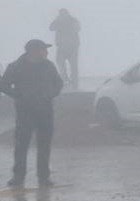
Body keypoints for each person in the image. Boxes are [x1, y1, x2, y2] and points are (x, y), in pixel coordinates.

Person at [0, 40, 63, 188]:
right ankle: (18, 177)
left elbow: (58, 83)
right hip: (25, 112)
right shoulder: (16, 67)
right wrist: (19, 95)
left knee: (44, 145)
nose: (46, 52)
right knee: (21, 145)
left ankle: (44, 177)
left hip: (46, 111)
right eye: (43, 49)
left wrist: (50, 94)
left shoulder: (48, 66)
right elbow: (3, 85)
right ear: (33, 51)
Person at [50, 8, 80, 89]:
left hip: (72, 47)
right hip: (62, 47)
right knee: (61, 63)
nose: (62, 15)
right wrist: (57, 20)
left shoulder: (73, 20)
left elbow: (78, 28)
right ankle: (65, 79)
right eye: (61, 14)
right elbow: (51, 28)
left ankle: (74, 82)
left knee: (73, 66)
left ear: (67, 13)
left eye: (63, 14)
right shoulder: (58, 21)